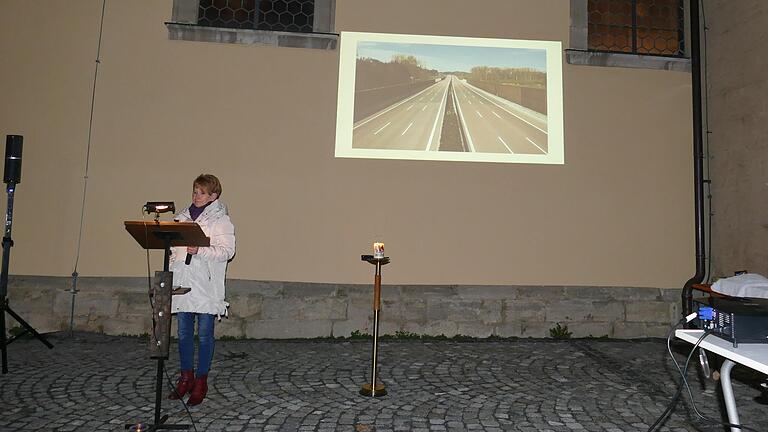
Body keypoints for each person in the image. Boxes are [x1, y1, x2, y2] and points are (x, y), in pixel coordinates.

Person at [168, 174, 235, 406]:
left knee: (205, 334)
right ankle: (185, 377)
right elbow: (174, 251)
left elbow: (227, 251)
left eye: (202, 193)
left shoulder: (220, 220)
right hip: (184, 283)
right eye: (195, 191)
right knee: (184, 333)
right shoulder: (181, 218)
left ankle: (201, 380)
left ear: (213, 196)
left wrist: (201, 250)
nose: (197, 196)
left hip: (206, 285)